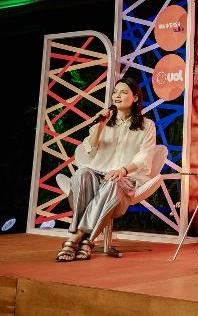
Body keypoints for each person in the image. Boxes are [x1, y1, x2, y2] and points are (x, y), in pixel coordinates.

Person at [55, 77, 156, 262]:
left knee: (113, 181)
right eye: (115, 92)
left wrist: (123, 170)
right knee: (82, 174)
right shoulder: (103, 122)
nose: (117, 95)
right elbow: (89, 151)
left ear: (135, 98)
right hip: (99, 173)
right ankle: (85, 243)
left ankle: (77, 238)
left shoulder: (146, 126)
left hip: (127, 177)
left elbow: (144, 157)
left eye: (123, 92)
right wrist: (100, 126)